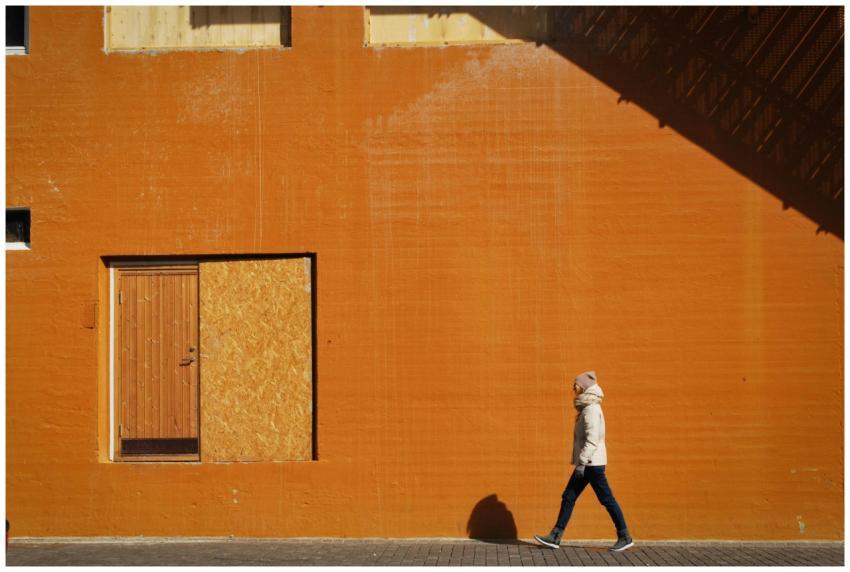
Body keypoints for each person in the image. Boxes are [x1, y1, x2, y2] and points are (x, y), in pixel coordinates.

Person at [534, 370, 634, 552]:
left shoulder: (591, 409)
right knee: (569, 496)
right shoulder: (588, 407)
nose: (574, 387)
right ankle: (555, 536)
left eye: (576, 384)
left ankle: (625, 536)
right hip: (589, 462)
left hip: (591, 464)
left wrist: (581, 462)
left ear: (584, 387)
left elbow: (592, 438)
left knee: (605, 499)